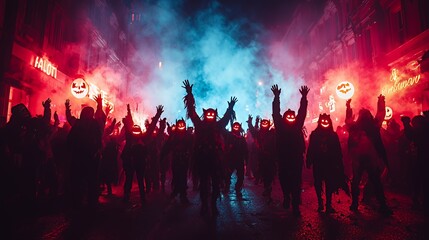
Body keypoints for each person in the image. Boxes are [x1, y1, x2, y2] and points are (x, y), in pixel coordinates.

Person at [183, 79, 237, 217]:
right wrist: (189, 95)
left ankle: (213, 204)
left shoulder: (218, 126)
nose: (210, 115)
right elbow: (192, 113)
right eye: (209, 114)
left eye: (212, 114)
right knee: (204, 184)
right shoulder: (200, 125)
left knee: (216, 183)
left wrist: (230, 108)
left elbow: (225, 119)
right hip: (202, 158)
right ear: (206, 114)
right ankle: (205, 205)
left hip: (215, 159)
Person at [345, 96, 393, 216]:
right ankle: (356, 203)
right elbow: (348, 120)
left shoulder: (371, 126)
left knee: (373, 181)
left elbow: (380, 115)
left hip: (369, 158)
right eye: (364, 115)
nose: (365, 117)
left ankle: (380, 204)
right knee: (359, 181)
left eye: (366, 115)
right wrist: (348, 108)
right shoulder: (357, 127)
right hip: (359, 159)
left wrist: (381, 102)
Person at [271, 84, 309, 216]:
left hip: (296, 158)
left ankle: (295, 204)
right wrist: (276, 98)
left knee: (296, 181)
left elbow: (302, 113)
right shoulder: (280, 127)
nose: (292, 117)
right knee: (284, 179)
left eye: (293, 116)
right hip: (283, 158)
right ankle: (287, 196)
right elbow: (276, 113)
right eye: (289, 116)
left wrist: (304, 98)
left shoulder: (297, 126)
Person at [306, 113, 349, 213]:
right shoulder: (314, 135)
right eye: (323, 121)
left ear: (329, 122)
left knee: (329, 184)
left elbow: (338, 150)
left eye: (327, 121)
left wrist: (339, 162)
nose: (325, 123)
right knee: (318, 183)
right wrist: (309, 159)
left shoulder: (333, 135)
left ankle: (328, 204)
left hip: (329, 164)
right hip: (318, 163)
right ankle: (320, 202)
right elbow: (311, 148)